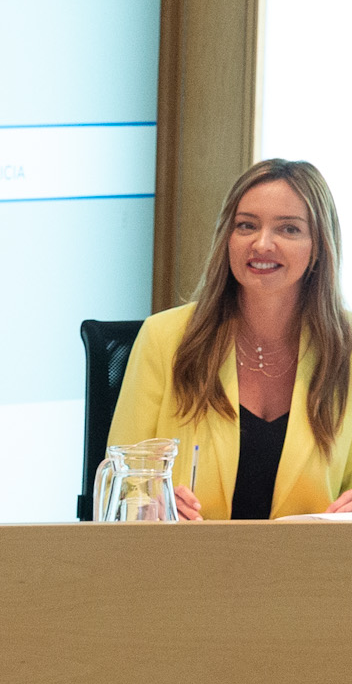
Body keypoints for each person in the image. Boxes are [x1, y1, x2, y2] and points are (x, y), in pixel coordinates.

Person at [109, 158, 352, 521]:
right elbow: (122, 484)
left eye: (288, 229)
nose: (262, 243)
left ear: (318, 246)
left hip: (307, 558)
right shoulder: (165, 338)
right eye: (246, 226)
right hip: (188, 555)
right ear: (227, 237)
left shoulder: (346, 347)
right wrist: (147, 508)